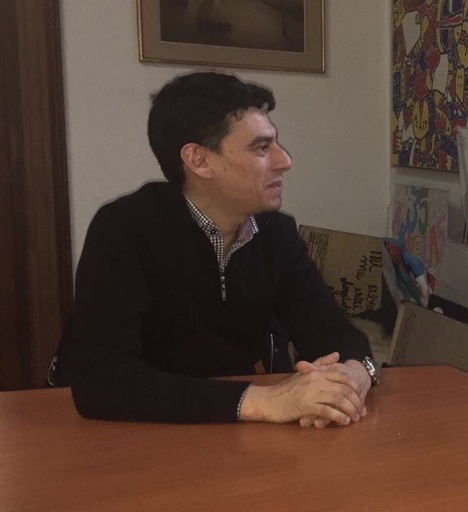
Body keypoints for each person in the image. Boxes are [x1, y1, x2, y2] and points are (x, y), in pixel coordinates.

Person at [63, 71, 378, 428]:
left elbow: (333, 335)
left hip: (233, 432)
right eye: (261, 148)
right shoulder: (124, 229)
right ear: (199, 160)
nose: (285, 161)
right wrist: (265, 401)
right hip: (137, 434)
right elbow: (101, 381)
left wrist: (354, 374)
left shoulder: (275, 232)